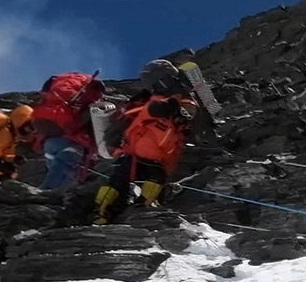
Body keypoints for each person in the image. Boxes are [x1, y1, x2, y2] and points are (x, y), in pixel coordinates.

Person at [92, 60, 198, 224]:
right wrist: (178, 96)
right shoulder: (156, 102)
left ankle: (135, 211)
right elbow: (158, 109)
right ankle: (105, 213)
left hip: (149, 155)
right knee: (123, 182)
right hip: (140, 154)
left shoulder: (169, 106)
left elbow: (186, 116)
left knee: (143, 181)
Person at [29, 72, 106, 190]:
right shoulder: (91, 99)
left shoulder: (62, 84)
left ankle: (50, 193)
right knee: (61, 178)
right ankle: (44, 193)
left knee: (56, 172)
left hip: (49, 139)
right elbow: (94, 129)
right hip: (69, 142)